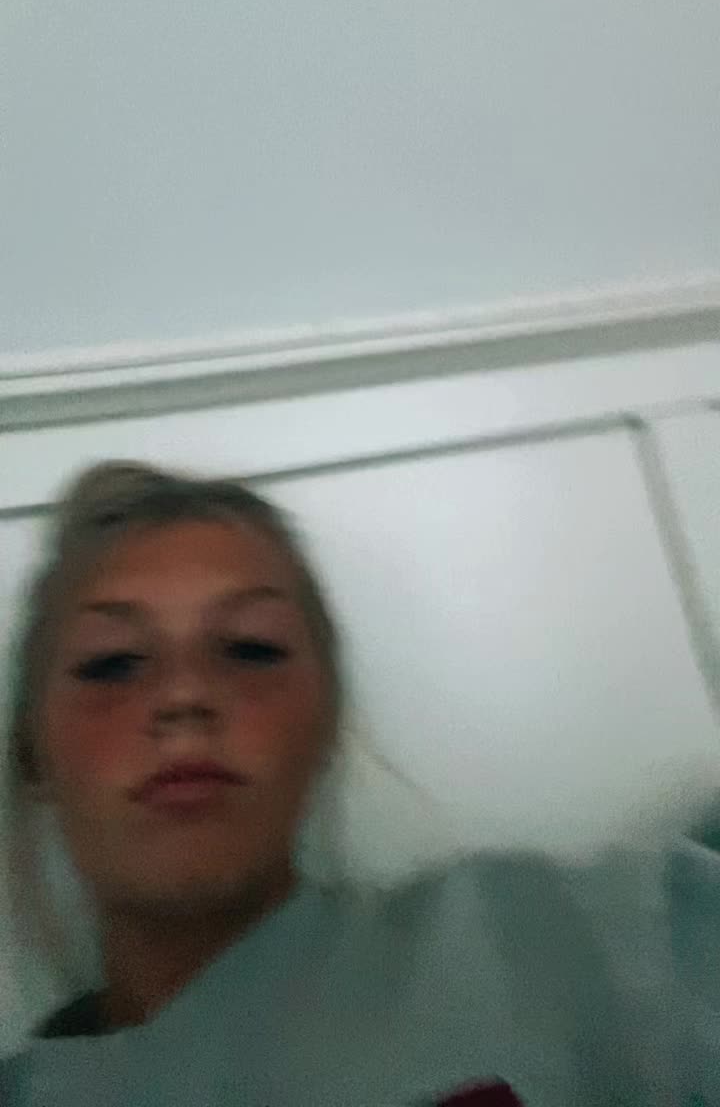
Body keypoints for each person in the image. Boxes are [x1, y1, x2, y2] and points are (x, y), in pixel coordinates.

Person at [0, 461, 705, 1105]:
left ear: (326, 719)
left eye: (251, 649)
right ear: (32, 752)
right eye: (113, 663)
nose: (184, 696)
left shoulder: (584, 940)